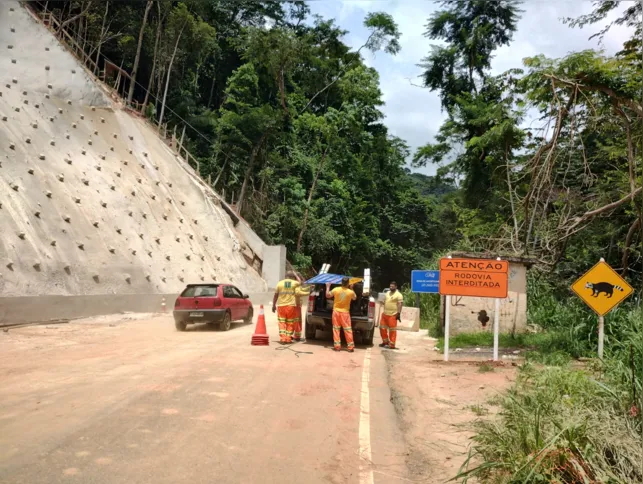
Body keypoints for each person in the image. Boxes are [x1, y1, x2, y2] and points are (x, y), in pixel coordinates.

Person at [273, 271, 309, 344]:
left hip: (281, 306)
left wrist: (273, 305)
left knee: (282, 322)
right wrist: (296, 275)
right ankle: (288, 338)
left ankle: (283, 338)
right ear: (293, 277)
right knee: (290, 322)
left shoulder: (279, 283)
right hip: (291, 306)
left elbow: (275, 295)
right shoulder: (294, 283)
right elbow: (300, 282)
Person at [326, 277, 357, 352]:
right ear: (348, 283)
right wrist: (352, 288)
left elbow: (327, 295)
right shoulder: (350, 292)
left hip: (336, 312)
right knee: (348, 330)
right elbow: (355, 298)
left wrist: (327, 286)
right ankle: (350, 347)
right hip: (345, 313)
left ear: (341, 283)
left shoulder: (336, 289)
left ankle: (337, 347)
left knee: (336, 329)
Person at [380, 281, 403, 349]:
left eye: (392, 286)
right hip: (385, 314)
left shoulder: (399, 295)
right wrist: (382, 302)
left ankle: (392, 344)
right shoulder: (387, 293)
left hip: (393, 315)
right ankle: (385, 342)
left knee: (392, 330)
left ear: (396, 287)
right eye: (390, 286)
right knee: (382, 328)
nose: (391, 288)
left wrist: (398, 313)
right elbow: (385, 301)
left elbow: (400, 304)